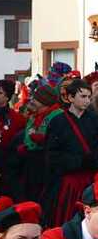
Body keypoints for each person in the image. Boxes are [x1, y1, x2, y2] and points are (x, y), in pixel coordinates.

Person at [42, 78, 98, 227]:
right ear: (71, 98)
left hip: (90, 180)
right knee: (66, 221)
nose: (87, 101)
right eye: (83, 97)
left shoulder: (94, 120)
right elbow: (51, 155)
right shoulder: (57, 122)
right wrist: (78, 161)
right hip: (67, 183)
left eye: (89, 97)